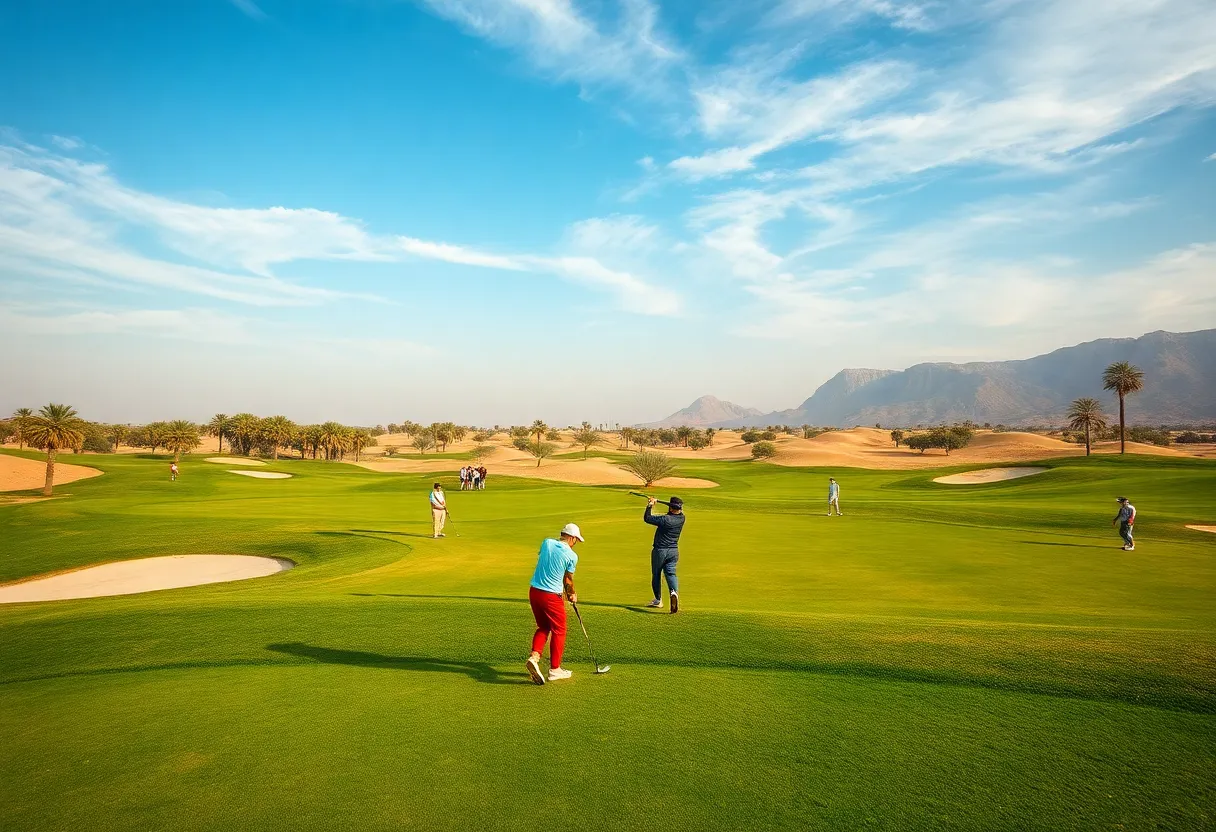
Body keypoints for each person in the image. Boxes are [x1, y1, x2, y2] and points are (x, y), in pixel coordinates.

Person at [526, 522, 584, 684]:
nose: (576, 543)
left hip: (534, 592)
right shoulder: (572, 556)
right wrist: (572, 594)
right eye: (576, 540)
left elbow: (547, 562)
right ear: (571, 538)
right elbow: (568, 579)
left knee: (544, 626)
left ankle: (534, 657)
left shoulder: (547, 543)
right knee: (560, 630)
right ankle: (555, 670)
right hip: (551, 596)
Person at [644, 496, 685, 613]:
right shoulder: (682, 518)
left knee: (656, 574)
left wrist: (650, 505)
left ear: (671, 508)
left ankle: (658, 600)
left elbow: (647, 518)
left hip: (660, 551)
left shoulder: (665, 519)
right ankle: (673, 592)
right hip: (674, 551)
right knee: (671, 573)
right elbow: (672, 512)